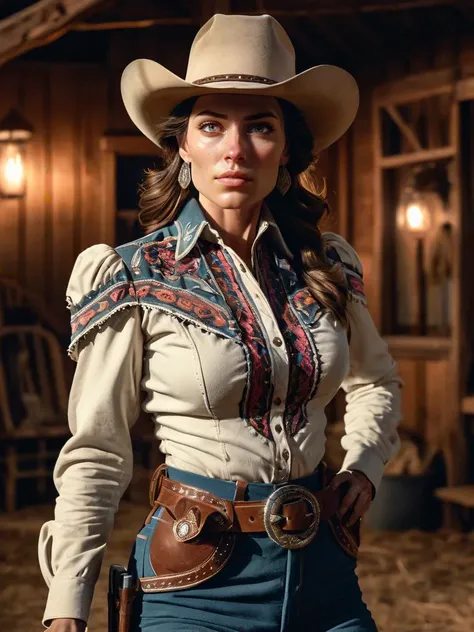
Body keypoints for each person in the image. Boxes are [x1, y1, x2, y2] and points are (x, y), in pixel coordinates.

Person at [38, 13, 402, 632]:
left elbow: (377, 382)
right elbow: (97, 450)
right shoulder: (130, 277)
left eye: (260, 127)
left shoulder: (327, 263)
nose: (235, 150)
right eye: (212, 126)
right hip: (194, 578)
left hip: (325, 575)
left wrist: (364, 465)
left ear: (287, 147)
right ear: (183, 145)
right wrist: (67, 605)